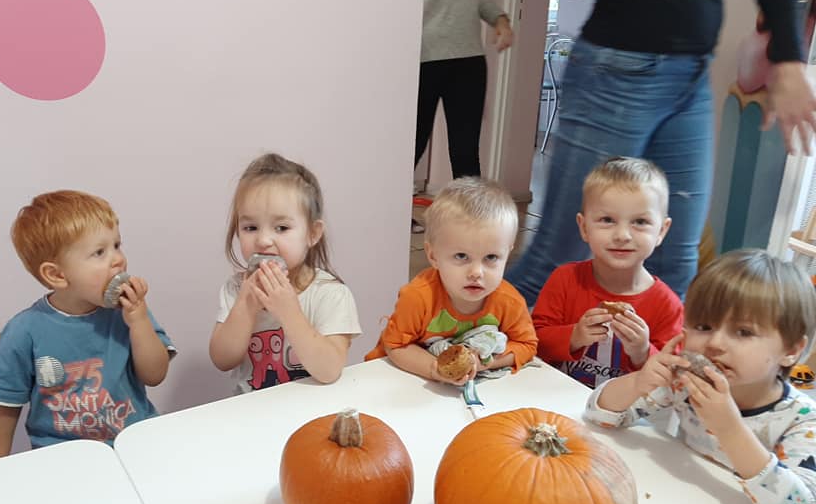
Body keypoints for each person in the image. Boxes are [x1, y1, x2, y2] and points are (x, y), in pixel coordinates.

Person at [507, 0, 816, 304]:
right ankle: (467, 334)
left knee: (673, 270)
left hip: (692, 77)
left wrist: (788, 58)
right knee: (557, 264)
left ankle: (644, 349)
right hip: (613, 73)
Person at [586, 249, 816, 504]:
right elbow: (599, 416)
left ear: (791, 350)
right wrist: (638, 382)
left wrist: (729, 428)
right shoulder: (686, 383)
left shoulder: (803, 420)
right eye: (704, 327)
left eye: (743, 332)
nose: (715, 343)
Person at [0, 190, 175, 458]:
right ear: (57, 275)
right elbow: (5, 405)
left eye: (117, 245)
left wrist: (139, 321)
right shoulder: (25, 331)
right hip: (63, 456)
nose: (118, 259)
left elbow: (155, 375)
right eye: (99, 252)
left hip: (134, 442)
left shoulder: (128, 311)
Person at [209, 153, 361, 394]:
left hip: (311, 407)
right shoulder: (236, 289)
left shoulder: (330, 294)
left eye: (281, 228)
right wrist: (245, 306)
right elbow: (222, 360)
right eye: (250, 227)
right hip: (252, 407)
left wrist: (289, 311)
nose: (263, 240)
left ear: (312, 233)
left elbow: (329, 370)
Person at [367, 177, 537, 383]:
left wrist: (485, 362)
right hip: (397, 380)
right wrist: (434, 369)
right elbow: (395, 345)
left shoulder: (509, 301)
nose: (476, 272)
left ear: (507, 254)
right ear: (433, 255)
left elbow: (527, 345)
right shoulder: (418, 297)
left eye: (491, 257)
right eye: (461, 256)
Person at [533, 157, 683, 388]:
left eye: (640, 222)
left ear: (661, 231)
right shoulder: (565, 280)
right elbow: (533, 342)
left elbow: (672, 379)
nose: (622, 235)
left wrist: (643, 352)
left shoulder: (667, 305)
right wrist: (574, 336)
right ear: (584, 227)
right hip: (558, 398)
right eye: (607, 220)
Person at [412, 0, 514, 233]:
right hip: (422, 56)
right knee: (412, 146)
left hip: (468, 58)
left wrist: (500, 19)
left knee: (465, 151)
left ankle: (473, 227)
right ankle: (390, 214)